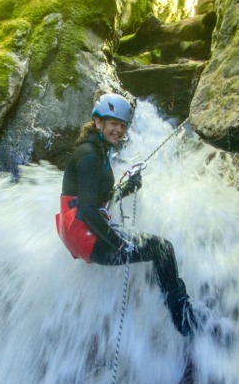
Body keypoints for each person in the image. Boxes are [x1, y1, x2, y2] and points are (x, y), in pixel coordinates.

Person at [55, 92, 199, 336]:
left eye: (122, 125)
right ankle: (185, 321)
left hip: (80, 231)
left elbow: (97, 199)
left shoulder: (96, 150)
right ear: (98, 122)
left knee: (156, 250)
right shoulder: (90, 156)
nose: (119, 130)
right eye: (113, 124)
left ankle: (173, 303)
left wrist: (125, 189)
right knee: (162, 249)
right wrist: (117, 242)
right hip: (86, 235)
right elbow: (89, 209)